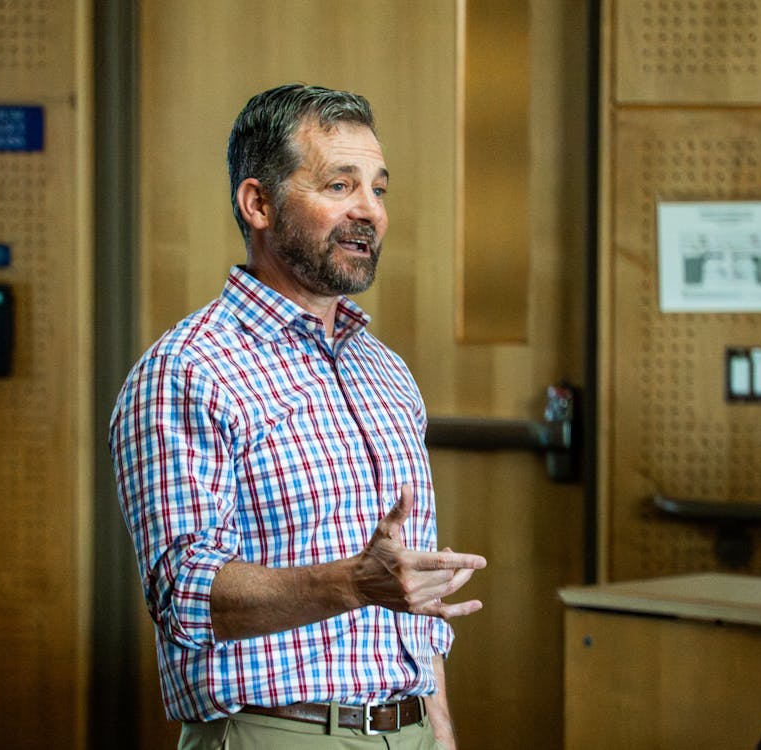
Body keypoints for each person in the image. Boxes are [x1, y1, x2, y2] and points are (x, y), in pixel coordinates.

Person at [110, 83, 487, 750]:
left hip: (412, 728)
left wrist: (442, 733)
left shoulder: (386, 372)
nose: (369, 211)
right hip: (278, 733)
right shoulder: (189, 370)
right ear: (258, 203)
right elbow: (185, 596)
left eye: (379, 188)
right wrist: (351, 583)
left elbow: (412, 606)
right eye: (341, 186)